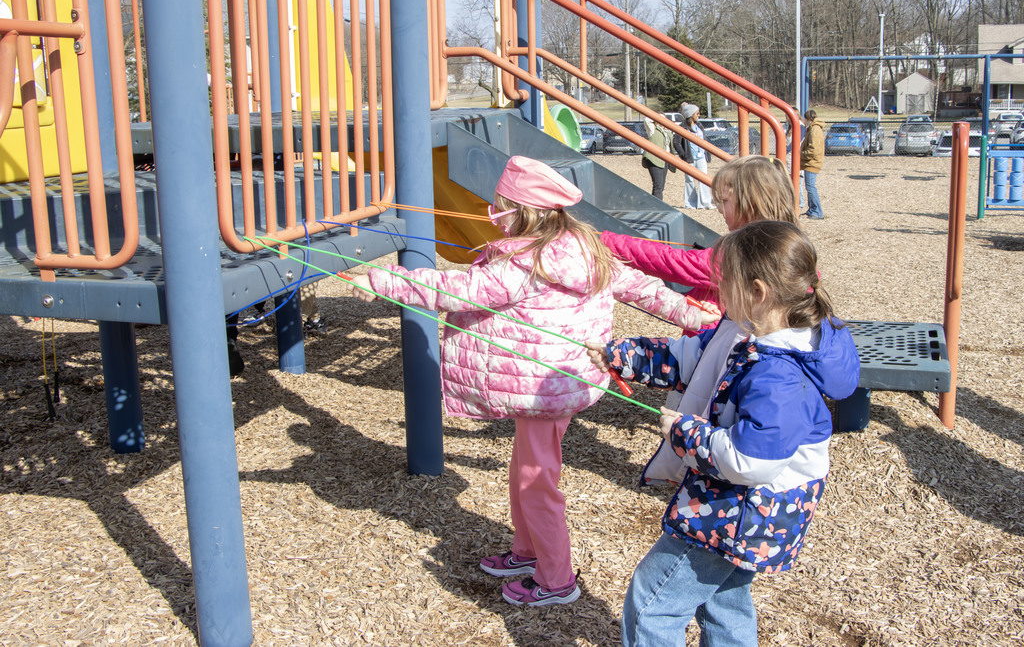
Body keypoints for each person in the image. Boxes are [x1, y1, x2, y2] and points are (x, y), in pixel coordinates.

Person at [347, 156, 719, 608]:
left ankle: (556, 579)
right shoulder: (583, 245)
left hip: (546, 387)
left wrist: (386, 281)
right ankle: (527, 552)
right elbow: (641, 288)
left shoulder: (526, 262)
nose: (493, 213)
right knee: (525, 471)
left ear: (526, 211)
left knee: (537, 482)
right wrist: (691, 314)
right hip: (562, 384)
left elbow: (457, 290)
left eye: (500, 205)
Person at [587, 220, 859, 646]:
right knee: (724, 601)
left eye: (723, 281)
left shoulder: (778, 374)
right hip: (743, 505)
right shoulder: (746, 329)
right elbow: (689, 357)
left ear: (756, 291)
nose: (716, 289)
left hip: (744, 508)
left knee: (652, 602)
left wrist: (686, 434)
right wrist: (622, 355)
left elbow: (752, 461)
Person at [600, 155, 798, 319]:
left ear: (751, 203)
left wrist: (608, 242)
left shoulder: (744, 252)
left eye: (725, 201)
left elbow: (673, 262)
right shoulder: (787, 243)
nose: (720, 209)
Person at [674, 103, 713, 209]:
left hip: (701, 157)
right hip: (690, 157)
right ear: (691, 115)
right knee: (689, 180)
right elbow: (676, 142)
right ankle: (690, 203)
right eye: (697, 113)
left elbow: (704, 140)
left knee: (704, 179)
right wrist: (683, 154)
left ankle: (705, 203)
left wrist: (707, 154)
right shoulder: (682, 127)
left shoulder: (699, 125)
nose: (698, 115)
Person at [800, 109, 825, 219]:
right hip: (812, 161)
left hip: (812, 162)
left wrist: (801, 154)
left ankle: (817, 211)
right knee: (810, 186)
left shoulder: (814, 129)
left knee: (810, 187)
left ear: (807, 119)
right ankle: (812, 209)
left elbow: (813, 149)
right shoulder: (814, 128)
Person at [641, 116, 671, 200]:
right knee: (657, 184)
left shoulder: (666, 131)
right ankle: (657, 205)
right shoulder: (652, 129)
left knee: (661, 185)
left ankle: (657, 203)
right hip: (654, 160)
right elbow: (646, 119)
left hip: (665, 160)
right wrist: (657, 118)